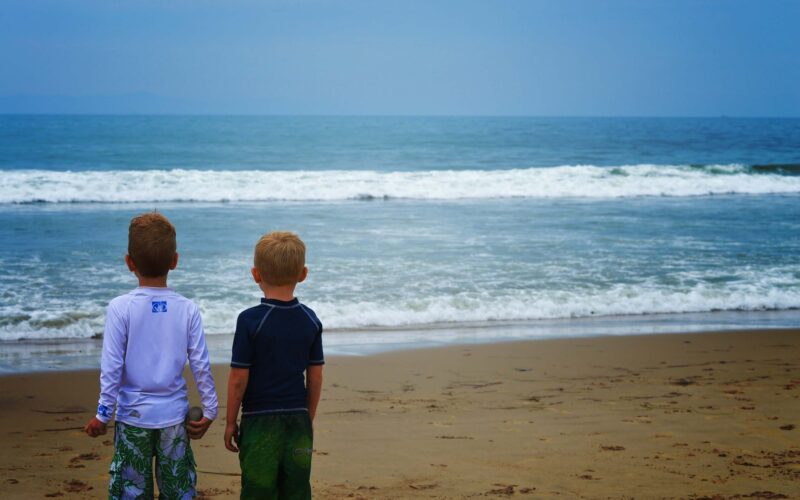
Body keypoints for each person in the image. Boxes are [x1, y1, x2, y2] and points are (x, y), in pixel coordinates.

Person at [84, 212, 218, 499]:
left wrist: (103, 414)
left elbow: (112, 366)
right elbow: (200, 365)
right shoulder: (187, 309)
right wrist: (210, 410)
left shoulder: (121, 308)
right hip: (174, 419)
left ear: (129, 262)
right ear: (175, 260)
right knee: (178, 490)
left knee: (130, 491)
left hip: (133, 418)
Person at [224, 231, 324, 500]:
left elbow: (238, 379)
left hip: (259, 421)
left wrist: (230, 422)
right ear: (303, 274)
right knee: (297, 490)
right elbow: (315, 377)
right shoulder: (310, 320)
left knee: (259, 489)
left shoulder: (249, 321)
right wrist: (308, 417)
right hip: (298, 419)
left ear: (255, 274)